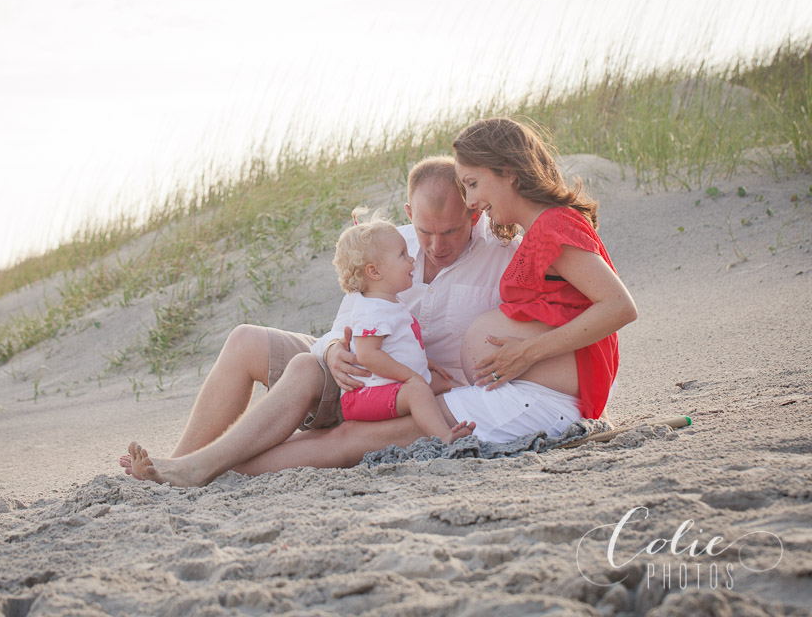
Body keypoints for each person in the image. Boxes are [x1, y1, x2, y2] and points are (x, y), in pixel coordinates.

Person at [121, 155, 516, 485]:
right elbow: (341, 324)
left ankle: (195, 467)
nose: (435, 246)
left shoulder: (502, 258)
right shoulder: (387, 245)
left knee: (304, 370)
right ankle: (174, 464)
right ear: (410, 213)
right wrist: (331, 350)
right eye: (425, 231)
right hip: (354, 375)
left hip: (414, 398)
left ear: (474, 211)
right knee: (249, 341)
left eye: (450, 231)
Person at [440, 116, 638, 440]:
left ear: (508, 172)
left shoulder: (552, 225)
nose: (470, 201)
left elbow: (620, 306)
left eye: (472, 184)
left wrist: (527, 352)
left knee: (414, 419)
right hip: (542, 392)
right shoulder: (539, 229)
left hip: (559, 394)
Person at [331, 207, 474, 443]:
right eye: (403, 255)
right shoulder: (372, 310)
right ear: (374, 271)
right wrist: (411, 377)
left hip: (387, 387)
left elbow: (397, 345)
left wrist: (425, 363)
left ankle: (424, 411)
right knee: (418, 390)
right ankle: (444, 435)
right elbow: (367, 355)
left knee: (443, 384)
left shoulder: (389, 303)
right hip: (364, 396)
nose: (412, 260)